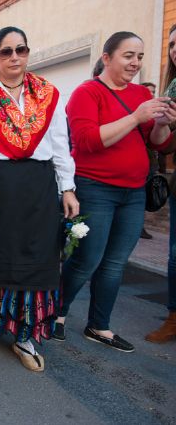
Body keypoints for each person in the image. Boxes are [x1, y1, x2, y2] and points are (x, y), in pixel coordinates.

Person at [0, 27, 78, 372]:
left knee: (35, 256)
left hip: (37, 187)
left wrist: (67, 187)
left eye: (20, 50)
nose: (14, 58)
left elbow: (59, 143)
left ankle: (24, 333)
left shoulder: (48, 94)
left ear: (28, 53)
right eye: (6, 52)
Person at [57, 31, 176, 352]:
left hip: (133, 192)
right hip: (95, 189)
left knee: (115, 263)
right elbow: (87, 141)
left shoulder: (140, 93)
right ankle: (56, 314)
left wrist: (163, 122)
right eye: (128, 56)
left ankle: (99, 325)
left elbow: (159, 143)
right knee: (86, 259)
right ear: (107, 58)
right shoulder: (87, 92)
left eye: (139, 57)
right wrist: (137, 116)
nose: (135, 63)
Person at [146, 24, 176, 344]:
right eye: (170, 44)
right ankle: (173, 317)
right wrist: (162, 125)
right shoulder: (173, 89)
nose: (174, 49)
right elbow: (163, 146)